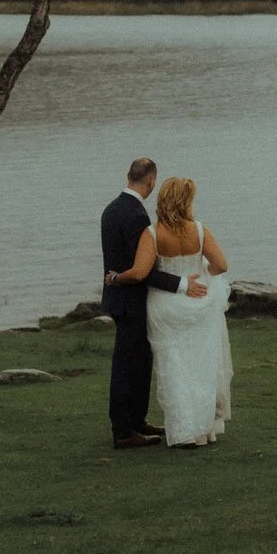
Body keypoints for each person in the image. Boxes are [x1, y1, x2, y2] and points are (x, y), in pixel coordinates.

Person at [109, 175, 233, 447]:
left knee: (175, 366)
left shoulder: (152, 234)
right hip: (200, 304)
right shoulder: (200, 230)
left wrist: (117, 278)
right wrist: (202, 277)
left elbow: (141, 272)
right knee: (201, 365)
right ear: (186, 202)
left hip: (167, 306)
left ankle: (184, 432)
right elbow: (221, 265)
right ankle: (204, 429)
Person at [99, 157, 207, 449]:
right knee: (127, 366)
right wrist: (182, 284)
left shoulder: (111, 209)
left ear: (129, 175)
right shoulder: (136, 216)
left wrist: (114, 279)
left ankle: (136, 420)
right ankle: (124, 430)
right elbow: (142, 270)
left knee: (139, 362)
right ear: (150, 182)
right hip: (131, 301)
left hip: (119, 298)